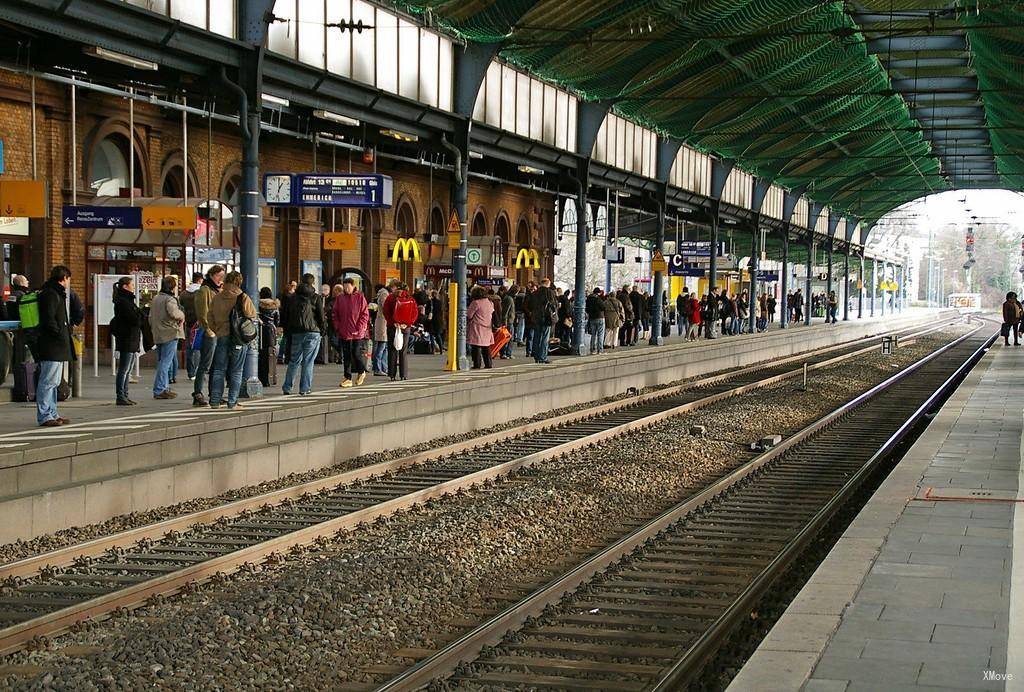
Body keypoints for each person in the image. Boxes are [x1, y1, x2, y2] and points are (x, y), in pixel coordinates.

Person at [208, 271, 256, 409]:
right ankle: (232, 401)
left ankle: (215, 401)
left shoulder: (217, 297)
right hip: (238, 338)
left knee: (218, 369)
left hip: (222, 335)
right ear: (239, 282)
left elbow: (209, 316)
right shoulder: (242, 297)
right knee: (236, 371)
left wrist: (217, 330)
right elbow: (251, 314)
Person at [32, 266, 74, 426]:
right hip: (51, 345)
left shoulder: (54, 293)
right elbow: (49, 319)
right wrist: (58, 333)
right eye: (68, 279)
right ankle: (44, 416)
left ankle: (52, 413)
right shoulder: (51, 294)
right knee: (48, 381)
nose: (68, 282)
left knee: (54, 381)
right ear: (63, 278)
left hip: (56, 345)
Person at [282, 274, 324, 396]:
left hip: (297, 332)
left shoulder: (293, 298)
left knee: (294, 360)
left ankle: (287, 387)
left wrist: (288, 331)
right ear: (312, 283)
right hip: (313, 332)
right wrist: (322, 329)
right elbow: (321, 316)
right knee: (308, 361)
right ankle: (305, 388)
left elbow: (286, 315)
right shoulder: (315, 297)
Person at [192, 265, 224, 406]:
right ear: (211, 275)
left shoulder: (218, 291)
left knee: (217, 364)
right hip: (210, 332)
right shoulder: (204, 290)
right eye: (218, 276)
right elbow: (202, 311)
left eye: (222, 276)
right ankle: (198, 393)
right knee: (205, 364)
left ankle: (215, 394)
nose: (220, 279)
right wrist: (208, 329)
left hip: (219, 331)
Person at [149, 275, 185, 400]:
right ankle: (160, 389)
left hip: (158, 332)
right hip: (170, 332)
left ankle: (164, 387)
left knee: (161, 361)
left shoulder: (156, 298)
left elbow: (150, 317)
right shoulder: (170, 300)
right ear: (172, 287)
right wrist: (182, 315)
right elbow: (174, 313)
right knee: (165, 362)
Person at [111, 276, 143, 406]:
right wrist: (140, 316)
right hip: (127, 338)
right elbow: (134, 319)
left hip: (131, 338)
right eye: (132, 285)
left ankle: (125, 394)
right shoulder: (123, 301)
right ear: (125, 286)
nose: (133, 287)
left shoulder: (127, 300)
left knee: (128, 369)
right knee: (124, 369)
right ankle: (121, 395)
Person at [332, 278, 370, 387]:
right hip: (344, 331)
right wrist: (338, 326)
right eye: (344, 287)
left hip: (357, 332)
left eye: (348, 286)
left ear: (353, 286)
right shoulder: (340, 298)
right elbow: (335, 314)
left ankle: (361, 371)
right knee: (346, 355)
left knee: (356, 353)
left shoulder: (360, 298)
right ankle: (347, 378)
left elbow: (365, 314)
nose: (346, 289)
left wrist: (360, 327)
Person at [383, 281, 417, 380]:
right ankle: (404, 375)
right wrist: (408, 324)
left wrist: (392, 322)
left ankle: (392, 374)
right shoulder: (410, 298)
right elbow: (414, 313)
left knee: (392, 350)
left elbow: (386, 311)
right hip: (405, 327)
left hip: (393, 326)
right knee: (403, 351)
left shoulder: (390, 298)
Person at [525, 278, 557, 364]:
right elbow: (554, 305)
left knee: (537, 337)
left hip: (536, 318)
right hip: (546, 318)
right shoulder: (550, 292)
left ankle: (536, 356)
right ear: (547, 284)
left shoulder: (534, 293)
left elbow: (529, 305)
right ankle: (543, 357)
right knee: (545, 338)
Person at [179, 272, 204, 380]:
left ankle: (191, 371)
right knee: (199, 347)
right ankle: (198, 371)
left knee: (189, 347)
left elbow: (180, 307)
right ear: (200, 280)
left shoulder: (184, 293)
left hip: (188, 323)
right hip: (199, 323)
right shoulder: (201, 292)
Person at [466, 285, 495, 369]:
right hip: (487, 327)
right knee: (486, 347)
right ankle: (488, 363)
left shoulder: (476, 303)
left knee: (476, 346)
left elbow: (469, 315)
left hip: (477, 327)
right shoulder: (490, 302)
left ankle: (477, 364)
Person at [258, 287, 280, 387]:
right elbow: (277, 321)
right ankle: (270, 378)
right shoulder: (274, 306)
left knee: (259, 355)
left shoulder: (258, 305)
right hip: (271, 331)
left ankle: (261, 377)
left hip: (260, 330)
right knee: (270, 355)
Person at [372, 283, 391, 375]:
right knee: (381, 347)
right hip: (383, 323)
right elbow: (386, 307)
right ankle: (378, 368)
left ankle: (383, 367)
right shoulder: (384, 294)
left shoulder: (383, 294)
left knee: (384, 347)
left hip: (383, 322)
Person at [585, 287, 605, 355]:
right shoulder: (598, 299)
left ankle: (592, 349)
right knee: (600, 334)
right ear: (598, 293)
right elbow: (603, 307)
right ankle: (600, 350)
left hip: (592, 318)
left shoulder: (588, 299)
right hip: (600, 317)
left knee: (593, 334)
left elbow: (586, 309)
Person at [499, 286, 515, 359]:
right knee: (507, 338)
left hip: (509, 321)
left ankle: (507, 353)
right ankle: (505, 353)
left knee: (509, 338)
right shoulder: (509, 299)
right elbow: (505, 312)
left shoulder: (508, 298)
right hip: (508, 321)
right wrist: (504, 323)